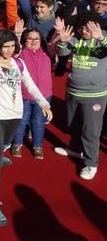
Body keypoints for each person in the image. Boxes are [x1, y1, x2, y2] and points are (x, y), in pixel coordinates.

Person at [0, 29, 52, 226]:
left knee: (5, 142)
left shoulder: (19, 63)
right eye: (5, 46)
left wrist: (44, 103)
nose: (10, 50)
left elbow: (29, 84)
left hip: (15, 113)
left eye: (12, 46)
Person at [53, 13, 107, 180]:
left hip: (95, 95)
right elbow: (62, 54)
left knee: (91, 131)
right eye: (82, 27)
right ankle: (76, 149)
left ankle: (91, 163)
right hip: (73, 92)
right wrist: (62, 41)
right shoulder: (75, 40)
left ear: (97, 26)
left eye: (88, 27)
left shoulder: (104, 39)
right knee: (73, 124)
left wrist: (101, 39)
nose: (84, 31)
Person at [11, 29, 53, 159]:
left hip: (44, 95)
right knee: (21, 121)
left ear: (41, 41)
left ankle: (37, 146)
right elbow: (14, 51)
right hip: (25, 95)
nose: (33, 41)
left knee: (38, 121)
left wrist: (57, 34)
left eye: (36, 39)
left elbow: (54, 45)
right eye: (29, 39)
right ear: (24, 41)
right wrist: (17, 34)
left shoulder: (47, 53)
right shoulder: (21, 53)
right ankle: (17, 144)